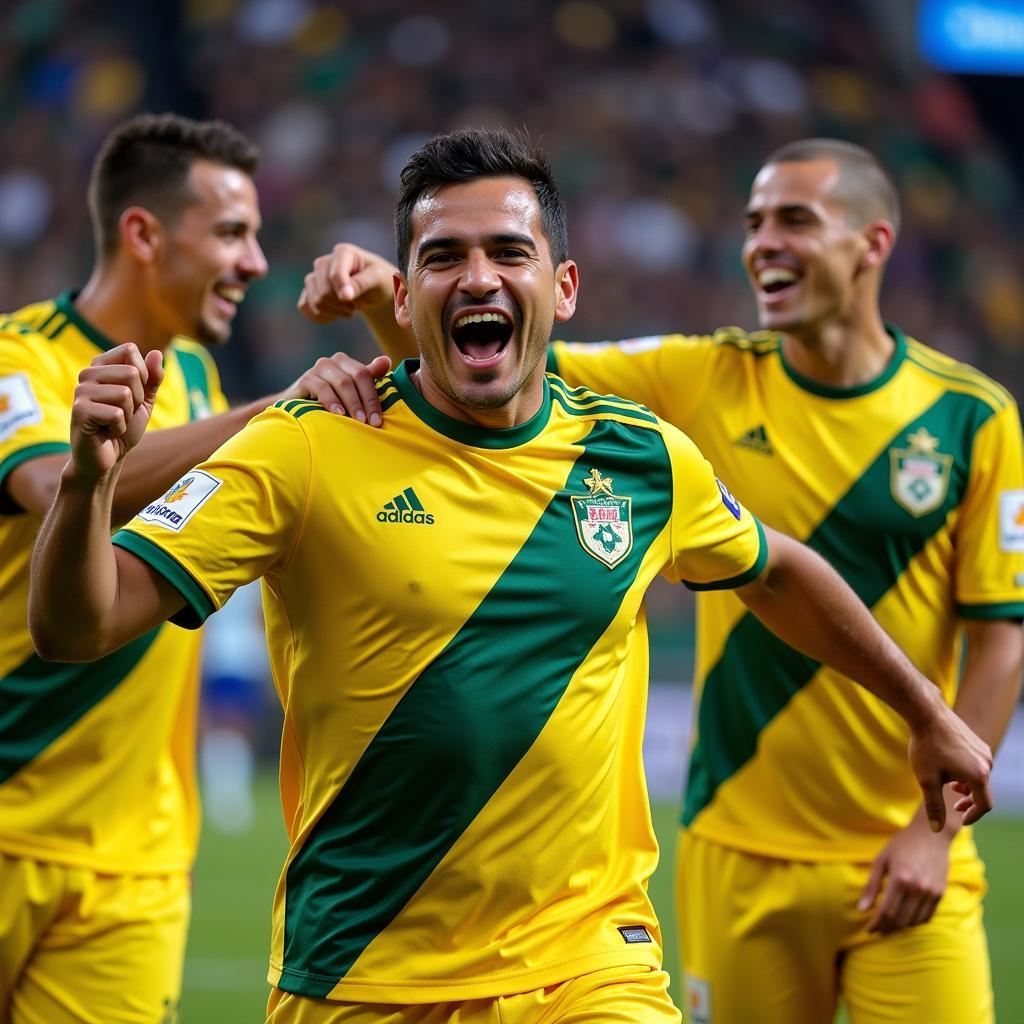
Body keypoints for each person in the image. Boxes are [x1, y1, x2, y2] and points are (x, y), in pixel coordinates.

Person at [28, 127, 994, 1024]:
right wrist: (88, 480)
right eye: (443, 257)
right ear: (401, 300)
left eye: (508, 252)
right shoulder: (305, 448)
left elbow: (775, 567)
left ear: (563, 287)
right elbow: (81, 625)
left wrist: (925, 711)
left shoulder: (641, 459)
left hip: (590, 964)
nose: (477, 276)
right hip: (364, 969)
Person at [304, 138, 1024, 1023]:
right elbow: (494, 375)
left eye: (795, 220)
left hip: (908, 843)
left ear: (873, 244)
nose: (763, 242)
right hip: (739, 842)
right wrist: (390, 300)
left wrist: (934, 831)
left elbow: (1001, 635)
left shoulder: (971, 414)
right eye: (754, 222)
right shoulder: (700, 375)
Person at [0, 112, 361, 1024]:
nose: (252, 263)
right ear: (144, 233)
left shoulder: (196, 379)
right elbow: (59, 490)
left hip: (136, 861)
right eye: (232, 233)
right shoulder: (21, 359)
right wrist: (281, 409)